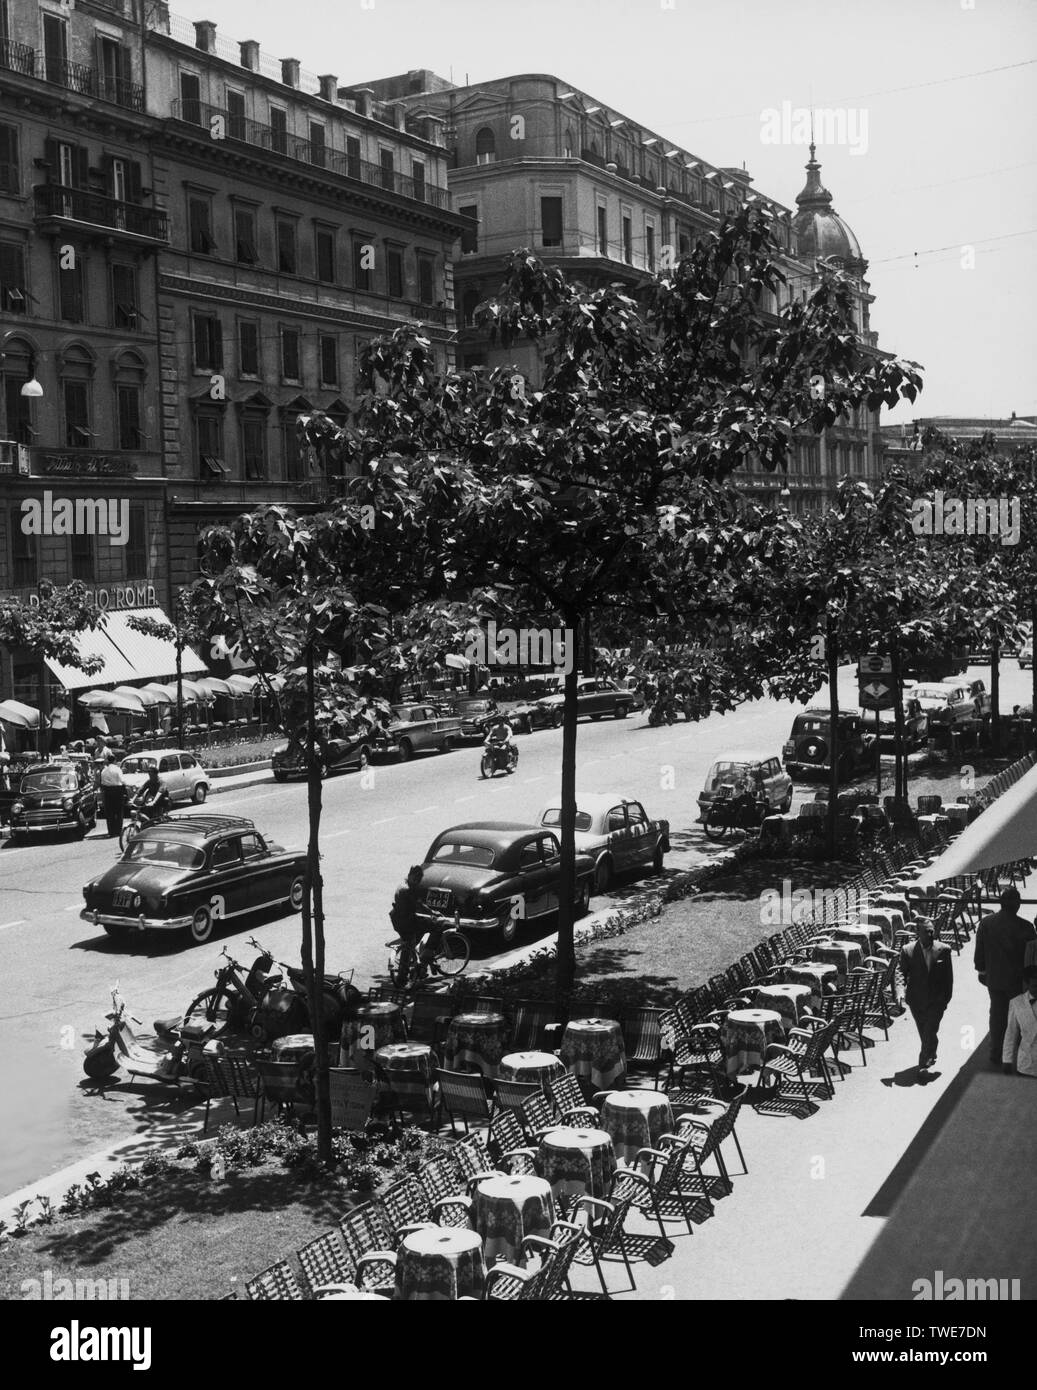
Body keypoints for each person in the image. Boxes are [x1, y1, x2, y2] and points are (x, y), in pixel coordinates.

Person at [974, 887, 1037, 1066]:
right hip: (1018, 982)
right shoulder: (1026, 927)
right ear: (1017, 905)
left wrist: (982, 971)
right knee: (1019, 1016)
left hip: (994, 980)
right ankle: (1015, 1054)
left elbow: (980, 953)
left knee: (997, 1015)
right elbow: (1031, 958)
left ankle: (996, 1052)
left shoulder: (986, 923)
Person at [898, 917, 954, 1073]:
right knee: (925, 1031)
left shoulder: (944, 949)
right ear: (918, 933)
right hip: (916, 1000)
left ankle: (923, 1062)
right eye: (926, 932)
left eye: (932, 931)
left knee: (929, 1029)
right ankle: (931, 1052)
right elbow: (900, 974)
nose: (930, 935)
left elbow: (949, 978)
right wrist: (900, 992)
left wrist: (946, 999)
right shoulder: (907, 950)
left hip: (936, 1001)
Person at [1002, 964, 1037, 1077]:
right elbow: (1011, 1033)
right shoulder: (1016, 1003)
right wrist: (1007, 1060)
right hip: (1026, 1063)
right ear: (1027, 984)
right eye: (1035, 986)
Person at [99, 752, 125, 839]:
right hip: (117, 790)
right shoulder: (118, 769)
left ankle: (111, 831)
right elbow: (122, 780)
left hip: (107, 791)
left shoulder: (103, 771)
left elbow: (102, 783)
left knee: (110, 812)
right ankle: (118, 831)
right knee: (119, 811)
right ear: (114, 760)